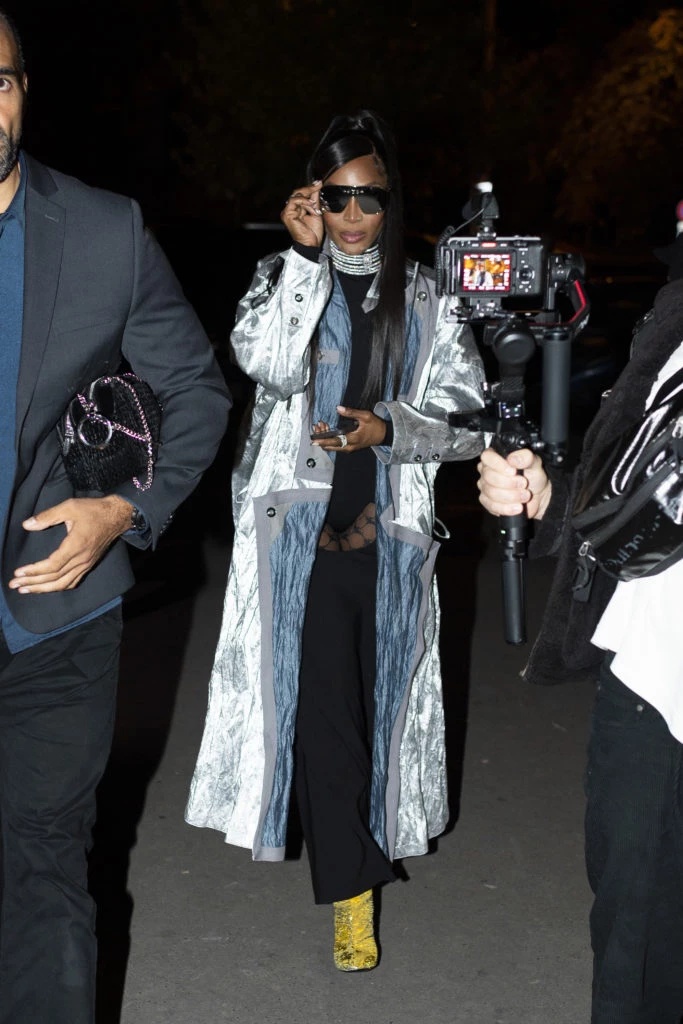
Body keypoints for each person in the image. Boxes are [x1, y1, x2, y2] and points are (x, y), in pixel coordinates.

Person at [186, 110, 485, 971]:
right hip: (299, 545)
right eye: (337, 195)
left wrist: (387, 429)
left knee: (374, 713)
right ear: (312, 196)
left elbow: (465, 422)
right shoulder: (282, 276)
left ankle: (354, 856)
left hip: (388, 541)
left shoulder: (427, 297)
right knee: (323, 716)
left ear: (391, 201)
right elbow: (268, 363)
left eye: (369, 197)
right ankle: (352, 896)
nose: (354, 214)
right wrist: (305, 261)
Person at [0, 11, 231, 1024]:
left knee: (45, 876)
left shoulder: (103, 230)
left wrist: (124, 512)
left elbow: (198, 391)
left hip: (54, 617)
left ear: (22, 90)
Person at [477, 259, 683, 1022]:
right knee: (629, 937)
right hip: (646, 676)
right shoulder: (673, 315)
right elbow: (630, 493)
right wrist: (546, 499)